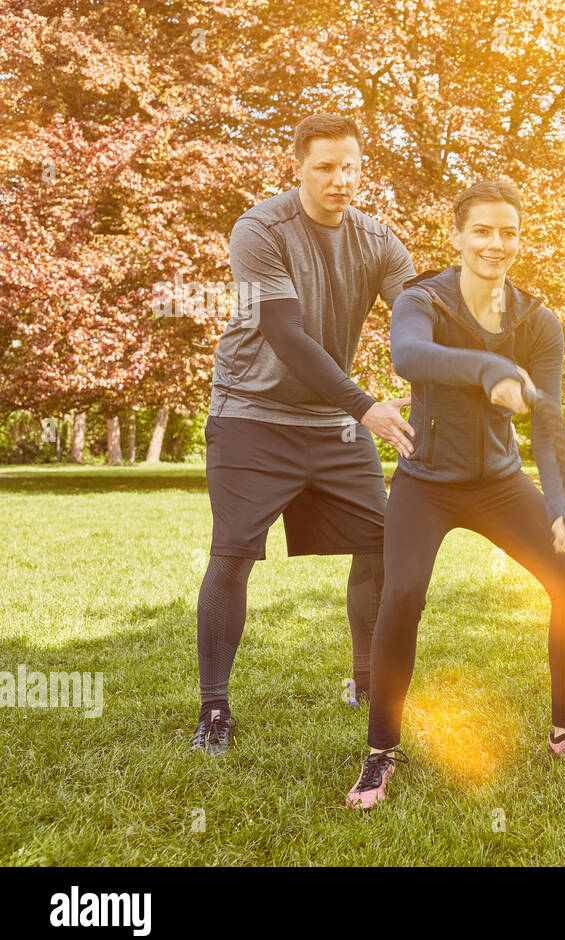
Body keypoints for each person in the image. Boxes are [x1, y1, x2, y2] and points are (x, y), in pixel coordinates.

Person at [345, 179, 565, 810]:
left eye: (509, 232)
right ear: (458, 237)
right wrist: (489, 368)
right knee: (402, 593)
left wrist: (559, 504)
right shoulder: (421, 300)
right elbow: (409, 357)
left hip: (498, 482)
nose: (497, 243)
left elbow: (547, 426)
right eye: (483, 231)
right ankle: (381, 751)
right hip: (426, 483)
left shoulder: (537, 321)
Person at [193, 115, 417, 753]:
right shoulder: (260, 230)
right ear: (297, 166)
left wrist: (450, 374)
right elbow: (285, 333)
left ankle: (366, 683)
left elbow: (416, 319)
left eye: (350, 166)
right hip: (251, 414)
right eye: (325, 166)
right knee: (234, 554)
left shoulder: (378, 240)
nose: (340, 179)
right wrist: (364, 405)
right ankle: (214, 709)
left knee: (381, 542)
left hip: (329, 422)